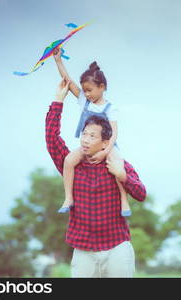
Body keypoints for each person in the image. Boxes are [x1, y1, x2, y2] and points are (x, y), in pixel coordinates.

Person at [45, 78, 147, 277]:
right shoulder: (72, 166)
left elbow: (141, 194)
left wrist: (122, 175)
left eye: (92, 136)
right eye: (84, 134)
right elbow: (51, 138)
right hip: (83, 250)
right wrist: (58, 100)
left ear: (104, 143)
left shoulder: (117, 164)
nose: (85, 139)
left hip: (117, 248)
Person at [52, 49, 131, 217]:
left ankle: (123, 199)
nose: (86, 94)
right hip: (88, 145)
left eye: (89, 90)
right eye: (84, 90)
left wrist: (106, 152)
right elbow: (68, 82)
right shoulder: (85, 101)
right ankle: (68, 197)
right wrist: (58, 61)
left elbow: (114, 134)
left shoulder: (110, 108)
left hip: (107, 145)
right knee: (68, 161)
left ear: (102, 87)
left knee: (118, 165)